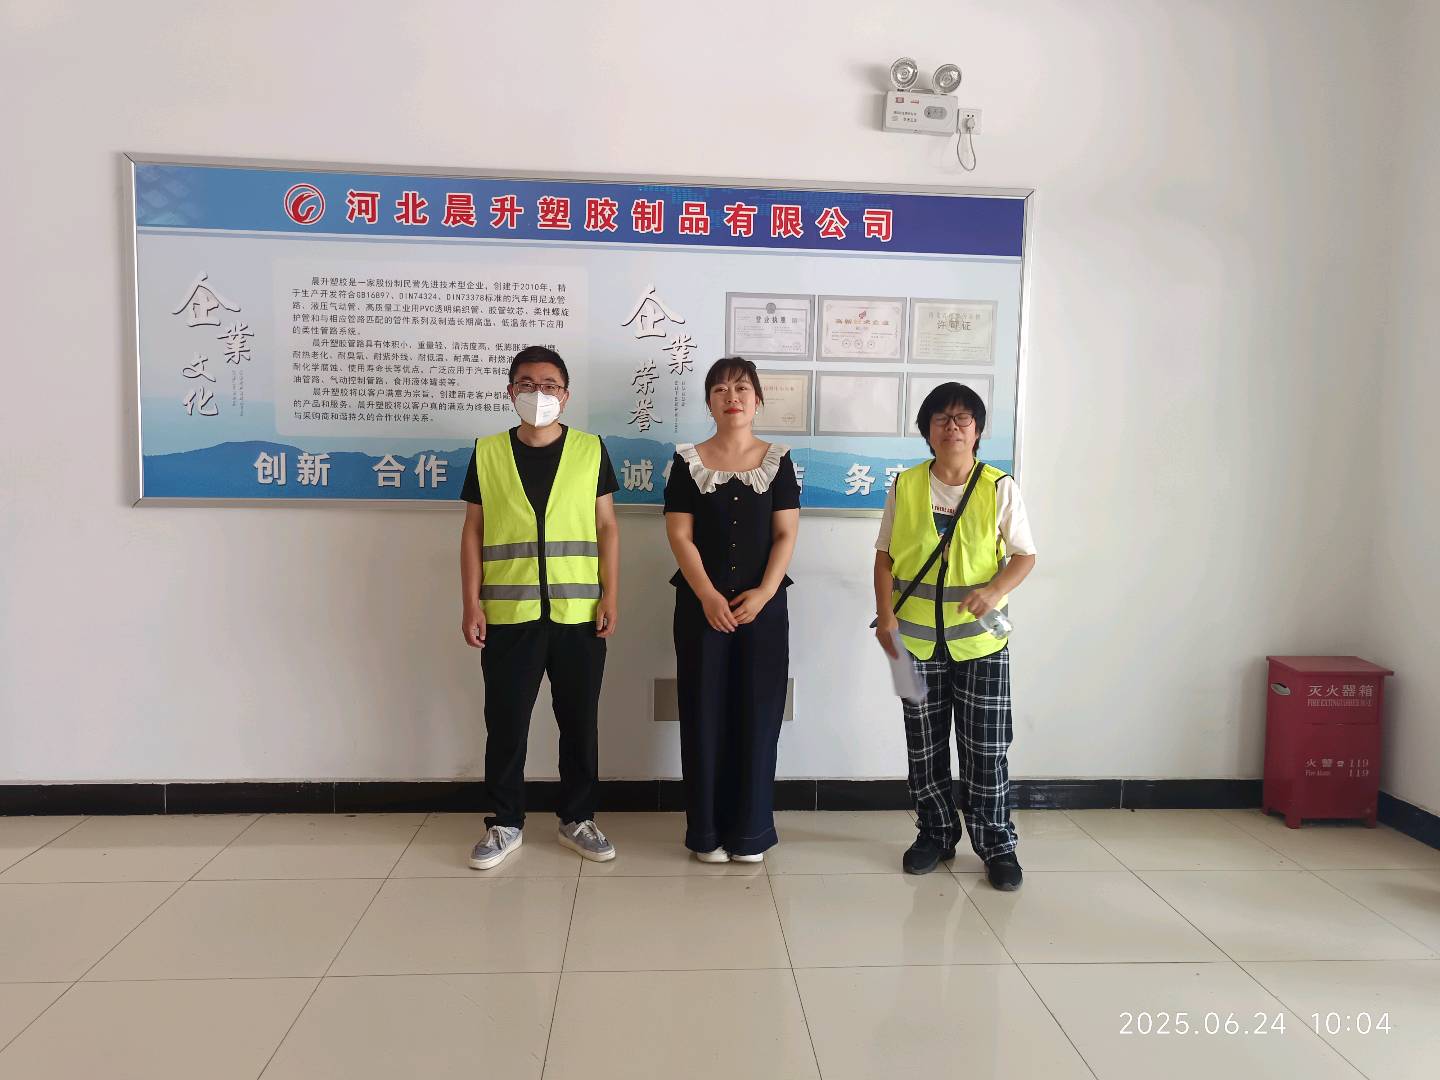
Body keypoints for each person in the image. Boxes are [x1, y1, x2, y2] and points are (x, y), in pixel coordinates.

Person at [459, 345, 621, 869]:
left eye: (549, 385)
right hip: (509, 614)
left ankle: (578, 818)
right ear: (511, 392)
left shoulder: (590, 450)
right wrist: (470, 603)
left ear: (565, 396)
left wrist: (611, 594)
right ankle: (505, 822)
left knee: (579, 722)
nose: (538, 393)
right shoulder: (488, 452)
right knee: (506, 723)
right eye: (527, 384)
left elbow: (607, 527)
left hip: (580, 612)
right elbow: (473, 531)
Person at [873, 382, 1037, 889]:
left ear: (978, 430)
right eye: (941, 418)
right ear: (927, 430)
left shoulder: (999, 486)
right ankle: (935, 834)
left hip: (984, 640)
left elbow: (1025, 556)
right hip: (909, 642)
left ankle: (997, 844)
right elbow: (884, 557)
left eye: (963, 418)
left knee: (986, 747)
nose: (952, 427)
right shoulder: (905, 485)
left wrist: (995, 590)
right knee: (922, 746)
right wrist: (884, 616)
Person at [663, 357, 800, 863]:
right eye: (720, 389)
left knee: (759, 715)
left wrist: (763, 593)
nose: (732, 397)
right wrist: (706, 594)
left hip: (765, 609)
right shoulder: (687, 461)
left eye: (741, 388)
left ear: (757, 399)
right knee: (702, 713)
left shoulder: (778, 460)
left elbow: (785, 535)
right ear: (709, 402)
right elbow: (680, 535)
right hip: (701, 608)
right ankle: (706, 833)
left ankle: (751, 833)